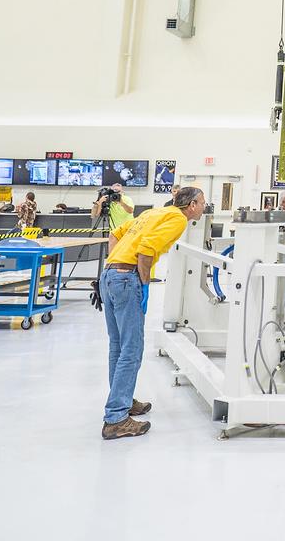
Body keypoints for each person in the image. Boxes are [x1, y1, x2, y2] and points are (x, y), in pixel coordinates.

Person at [99, 185, 205, 439]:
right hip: (126, 280)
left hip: (110, 275)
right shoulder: (178, 220)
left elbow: (115, 235)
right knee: (132, 348)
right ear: (191, 205)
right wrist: (143, 284)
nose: (204, 206)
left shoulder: (153, 213)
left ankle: (122, 400)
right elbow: (146, 251)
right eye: (202, 202)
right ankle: (116, 418)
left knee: (118, 345)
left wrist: (116, 266)